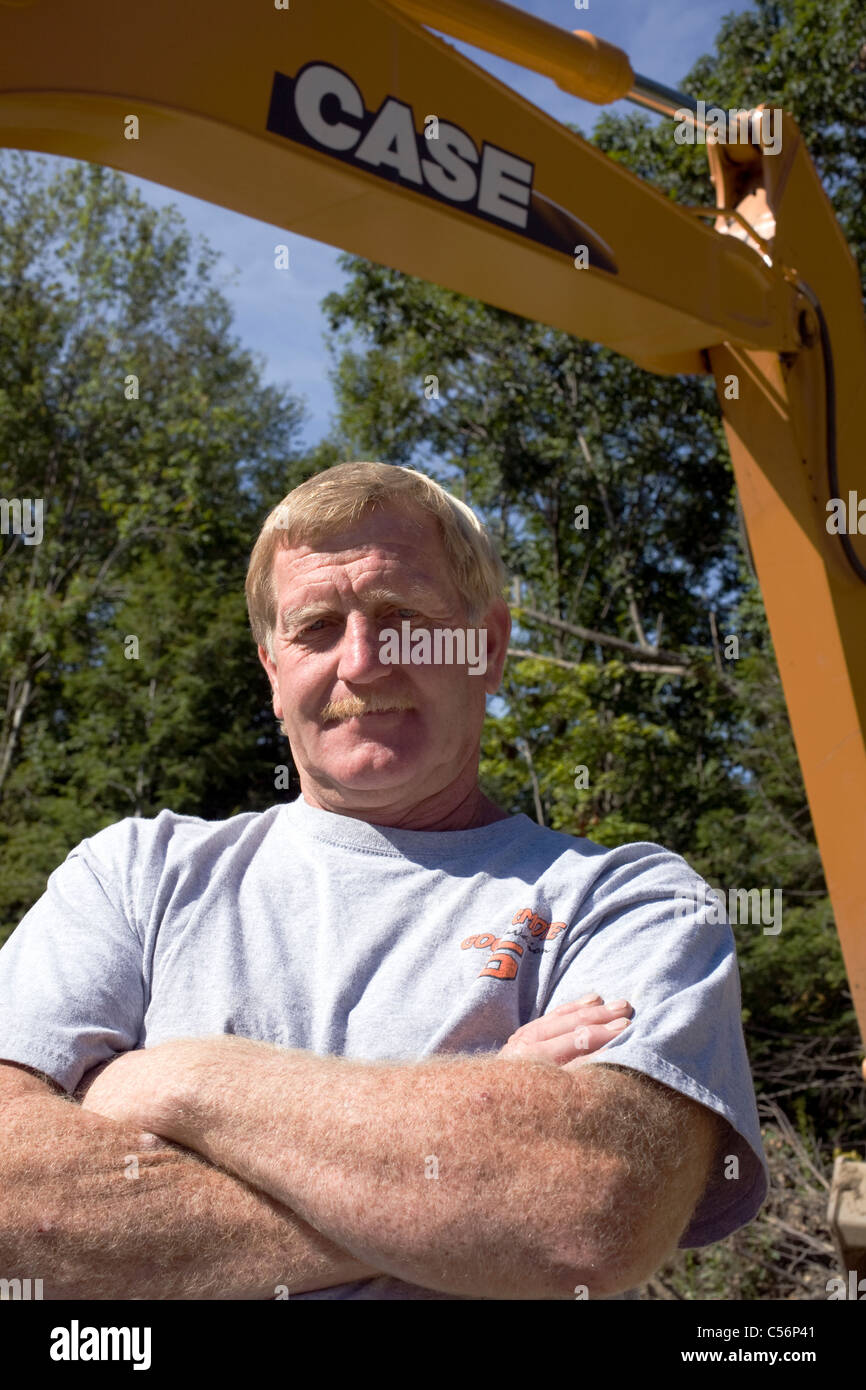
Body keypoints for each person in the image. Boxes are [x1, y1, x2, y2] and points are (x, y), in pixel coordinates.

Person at [0, 461, 768, 1300]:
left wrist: (167, 1082)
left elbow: (585, 1212)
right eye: (318, 627)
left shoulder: (631, 902)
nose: (361, 664)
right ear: (271, 669)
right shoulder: (135, 876)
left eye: (403, 618)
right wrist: (479, 1149)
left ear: (489, 647)